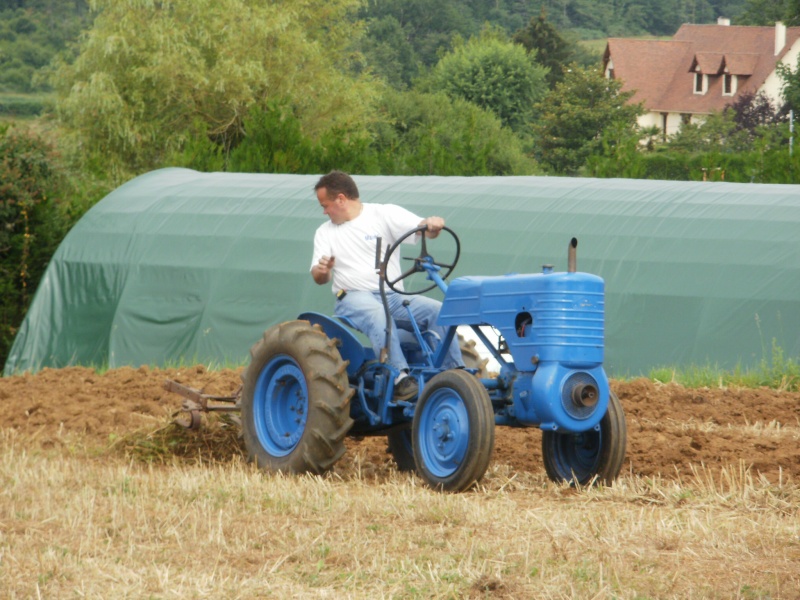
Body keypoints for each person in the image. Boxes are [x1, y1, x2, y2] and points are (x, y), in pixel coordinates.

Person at [310, 170, 464, 400]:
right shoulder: (325, 232)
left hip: (391, 295)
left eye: (326, 205)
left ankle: (456, 376)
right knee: (378, 316)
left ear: (341, 199)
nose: (324, 211)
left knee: (438, 311)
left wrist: (432, 225)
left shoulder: (383, 214)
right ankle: (400, 377)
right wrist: (322, 271)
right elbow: (319, 277)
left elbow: (423, 228)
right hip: (353, 297)